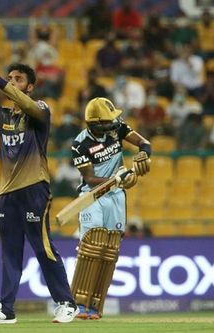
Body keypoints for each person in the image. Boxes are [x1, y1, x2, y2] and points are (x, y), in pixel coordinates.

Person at [0, 53, 79, 324]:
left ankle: (66, 303)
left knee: (42, 248)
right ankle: (6, 309)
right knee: (10, 252)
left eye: (18, 79)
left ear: (30, 86)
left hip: (34, 188)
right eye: (11, 77)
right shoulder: (1, 116)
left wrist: (0, 80)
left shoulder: (41, 111)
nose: (13, 82)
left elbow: (26, 104)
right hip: (7, 193)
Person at [70, 97, 151, 319]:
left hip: (116, 196)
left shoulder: (119, 128)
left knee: (110, 251)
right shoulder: (80, 144)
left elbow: (145, 143)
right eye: (107, 121)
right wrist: (117, 177)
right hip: (93, 196)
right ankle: (78, 304)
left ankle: (96, 306)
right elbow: (89, 177)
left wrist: (144, 155)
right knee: (91, 247)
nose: (113, 124)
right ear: (94, 124)